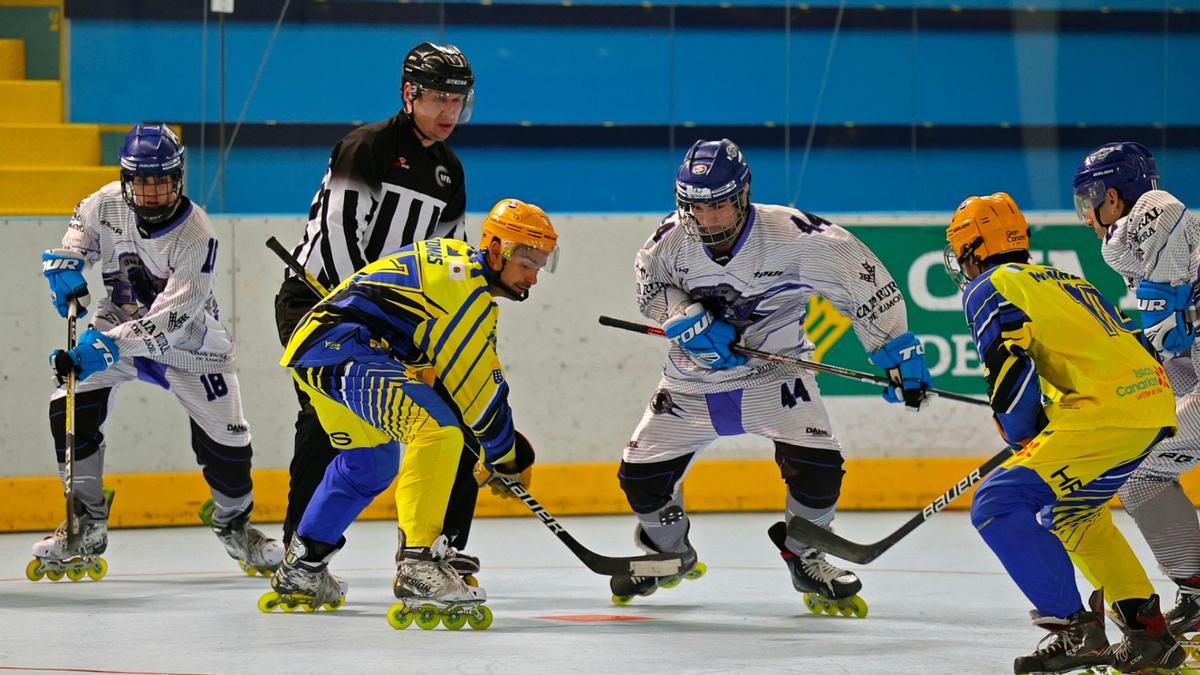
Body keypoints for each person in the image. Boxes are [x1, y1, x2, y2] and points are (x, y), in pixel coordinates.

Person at [612, 138, 933, 614]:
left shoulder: (797, 237)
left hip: (774, 377)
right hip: (689, 385)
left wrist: (893, 349)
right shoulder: (669, 241)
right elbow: (650, 288)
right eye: (697, 207)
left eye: (720, 204)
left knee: (821, 471)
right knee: (639, 478)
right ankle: (668, 550)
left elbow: (865, 285)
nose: (710, 219)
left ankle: (805, 553)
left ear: (742, 195)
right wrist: (685, 317)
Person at [261, 199, 555, 628]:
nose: (533, 276)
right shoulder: (464, 289)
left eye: (540, 265)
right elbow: (479, 391)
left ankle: (303, 567)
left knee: (370, 465)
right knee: (438, 432)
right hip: (342, 350)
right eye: (527, 262)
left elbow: (466, 379)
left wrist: (499, 451)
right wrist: (507, 457)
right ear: (495, 250)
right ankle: (418, 563)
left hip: (321, 350)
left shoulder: (459, 273)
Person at [28, 123, 281, 582]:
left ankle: (234, 524)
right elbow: (76, 244)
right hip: (116, 325)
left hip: (190, 345)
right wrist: (63, 268)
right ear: (126, 179)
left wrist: (109, 346)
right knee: (67, 404)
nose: (150, 192)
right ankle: (86, 521)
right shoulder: (103, 203)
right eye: (141, 182)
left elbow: (177, 314)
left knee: (230, 446)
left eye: (160, 181)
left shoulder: (197, 233)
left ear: (178, 179)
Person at [944, 191, 1183, 673]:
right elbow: (1107, 346)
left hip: (1105, 412)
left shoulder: (988, 285)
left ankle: (1077, 632)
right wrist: (1048, 417)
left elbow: (1009, 364)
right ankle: (1149, 637)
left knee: (998, 504)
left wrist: (1020, 431)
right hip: (1151, 402)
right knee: (1074, 515)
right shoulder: (1061, 277)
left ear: (973, 248)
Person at [275, 42, 486, 581]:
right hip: (320, 304)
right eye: (439, 98)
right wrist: (375, 320)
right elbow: (343, 242)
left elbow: (448, 262)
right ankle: (299, 550)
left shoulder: (448, 170)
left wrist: (439, 335)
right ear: (409, 94)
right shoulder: (364, 147)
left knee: (450, 407)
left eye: (458, 100)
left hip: (389, 318)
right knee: (326, 424)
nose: (449, 112)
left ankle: (437, 546)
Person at [1074, 141, 1200, 639]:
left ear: (1113, 197)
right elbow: (1173, 356)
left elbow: (1167, 338)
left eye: (1089, 201)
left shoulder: (1150, 225)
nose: (1087, 216)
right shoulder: (1149, 242)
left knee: (1131, 461)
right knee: (1137, 469)